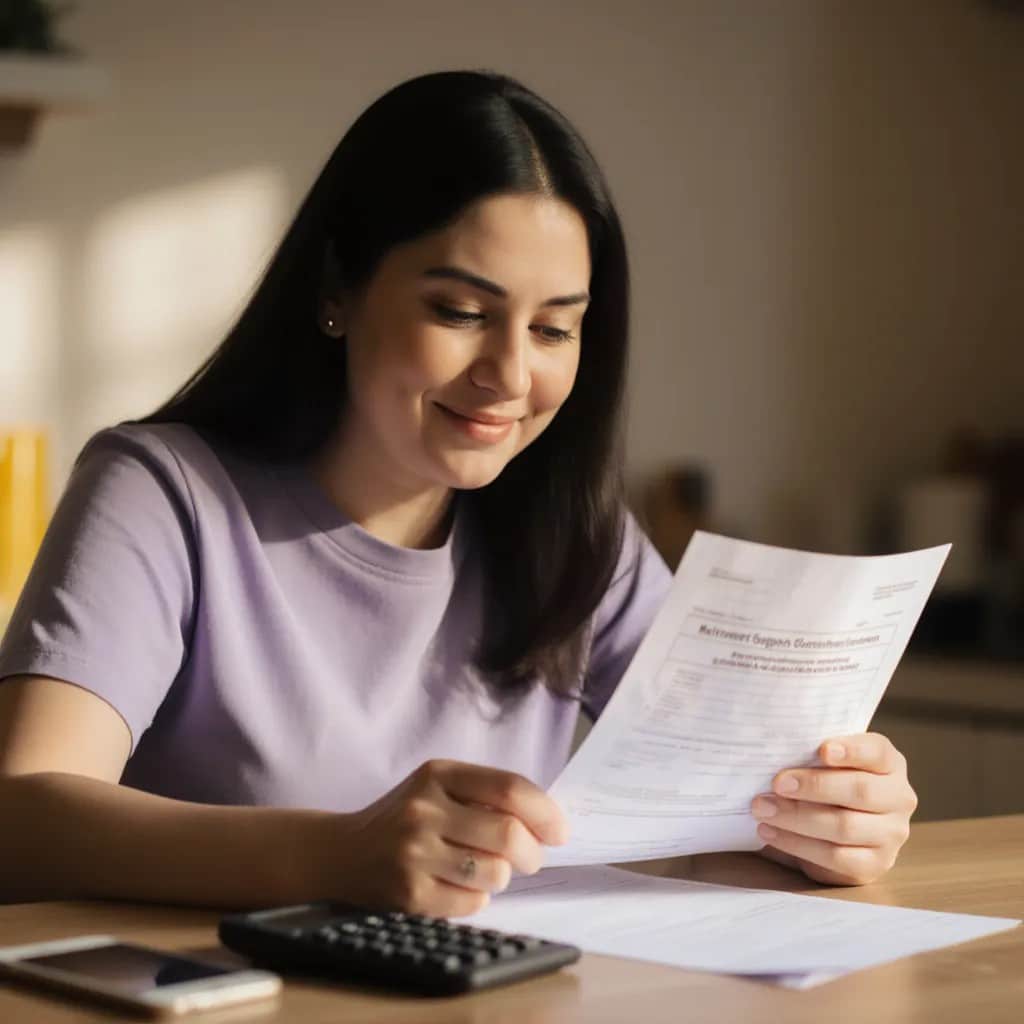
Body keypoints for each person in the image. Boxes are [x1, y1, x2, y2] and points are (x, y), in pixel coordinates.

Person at [0, 70, 916, 914]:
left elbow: (711, 828)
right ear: (337, 288)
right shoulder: (165, 494)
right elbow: (22, 818)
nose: (510, 375)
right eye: (462, 313)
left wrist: (823, 825)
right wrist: (333, 855)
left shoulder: (579, 536)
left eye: (555, 330)